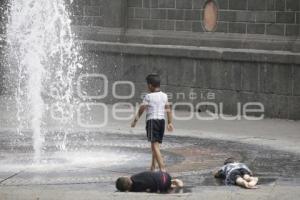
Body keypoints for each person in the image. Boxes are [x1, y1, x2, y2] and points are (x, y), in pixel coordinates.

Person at [131, 74, 173, 172]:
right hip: (161, 121)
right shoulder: (164, 96)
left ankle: (162, 168)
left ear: (150, 85)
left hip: (152, 122)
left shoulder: (148, 96)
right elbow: (168, 109)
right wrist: (170, 122)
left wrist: (135, 120)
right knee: (156, 145)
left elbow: (141, 109)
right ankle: (153, 167)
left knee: (154, 145)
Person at [115, 171, 183, 193]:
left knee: (158, 186)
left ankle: (175, 185)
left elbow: (148, 189)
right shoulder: (133, 177)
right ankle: (173, 181)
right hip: (164, 174)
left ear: (127, 189)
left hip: (163, 185)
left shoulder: (135, 189)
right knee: (152, 179)